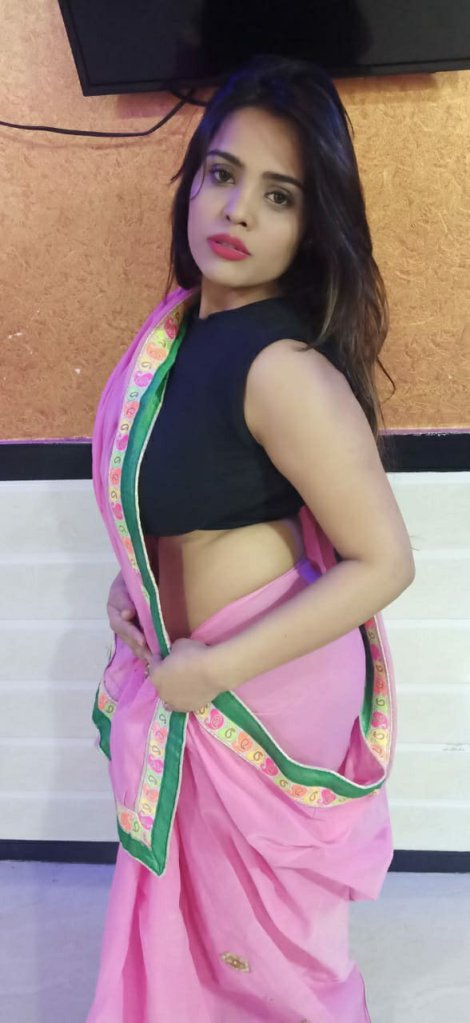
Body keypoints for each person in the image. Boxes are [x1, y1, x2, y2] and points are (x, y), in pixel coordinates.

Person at [86, 54, 415, 1023]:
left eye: (279, 196)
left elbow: (383, 562)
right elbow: (169, 497)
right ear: (189, 181)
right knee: (195, 940)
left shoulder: (284, 370)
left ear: (311, 226)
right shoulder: (174, 339)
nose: (237, 211)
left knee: (267, 960)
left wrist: (213, 667)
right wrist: (134, 587)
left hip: (260, 696)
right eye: (222, 175)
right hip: (191, 673)